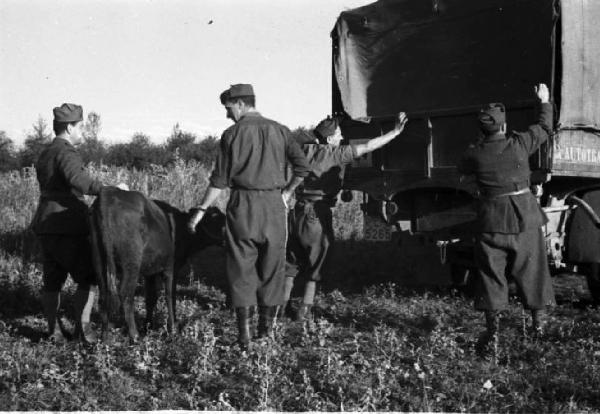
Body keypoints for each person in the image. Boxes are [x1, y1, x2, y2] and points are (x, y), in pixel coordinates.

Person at [187, 84, 309, 349]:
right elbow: (302, 167)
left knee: (241, 269)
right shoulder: (281, 130)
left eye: (228, 108)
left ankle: (244, 337)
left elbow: (218, 181)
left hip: (242, 205)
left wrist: (200, 211)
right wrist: (287, 193)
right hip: (274, 206)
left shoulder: (231, 134)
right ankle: (266, 334)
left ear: (240, 104)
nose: (227, 114)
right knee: (272, 269)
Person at [458, 83, 556, 354]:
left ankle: (493, 335)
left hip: (490, 222)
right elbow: (545, 128)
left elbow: (464, 173)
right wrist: (544, 102)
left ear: (482, 129)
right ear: (503, 127)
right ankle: (539, 329)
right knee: (533, 272)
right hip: (524, 218)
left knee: (491, 276)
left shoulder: (473, 153)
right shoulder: (520, 143)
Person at [284, 113, 408, 321]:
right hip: (317, 213)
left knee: (291, 263)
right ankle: (304, 311)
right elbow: (368, 146)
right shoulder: (335, 154)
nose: (341, 137)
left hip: (296, 212)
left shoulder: (303, 150)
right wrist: (394, 133)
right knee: (317, 264)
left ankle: (280, 308)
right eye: (339, 134)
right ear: (330, 138)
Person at [31, 103, 106, 343]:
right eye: (80, 126)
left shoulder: (46, 153)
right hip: (68, 224)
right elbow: (79, 180)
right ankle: (83, 331)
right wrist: (110, 191)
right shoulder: (66, 151)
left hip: (46, 223)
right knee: (88, 277)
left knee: (52, 281)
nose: (81, 131)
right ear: (70, 126)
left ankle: (53, 331)